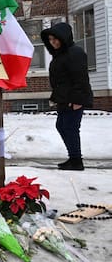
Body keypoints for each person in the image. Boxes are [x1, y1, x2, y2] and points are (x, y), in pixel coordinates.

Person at [40, 22, 93, 171]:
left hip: (74, 99)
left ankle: (76, 161)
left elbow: (81, 79)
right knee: (62, 126)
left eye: (55, 39)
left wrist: (77, 100)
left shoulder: (75, 53)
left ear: (64, 37)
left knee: (70, 128)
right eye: (50, 39)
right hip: (64, 99)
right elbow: (61, 80)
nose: (53, 42)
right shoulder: (60, 55)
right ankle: (73, 158)